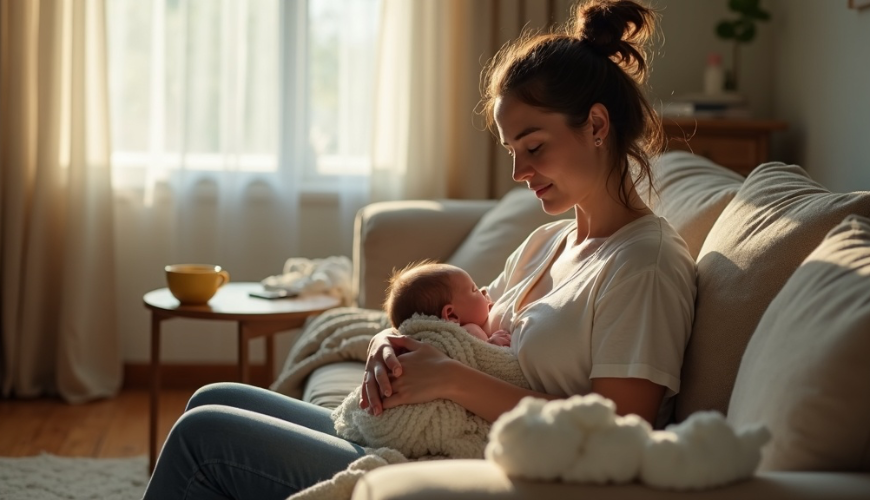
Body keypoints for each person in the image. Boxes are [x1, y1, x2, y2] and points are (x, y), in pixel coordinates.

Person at [141, 1, 696, 498]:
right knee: (214, 398)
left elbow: (624, 433)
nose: (518, 171)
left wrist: (452, 380)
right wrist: (395, 341)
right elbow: (459, 324)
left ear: (596, 125)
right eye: (510, 149)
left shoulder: (643, 263)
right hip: (436, 435)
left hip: (489, 469)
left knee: (203, 438)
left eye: (533, 146)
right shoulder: (548, 243)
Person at [384, 260, 512, 347]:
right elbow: (483, 359)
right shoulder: (469, 332)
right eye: (475, 289)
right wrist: (493, 343)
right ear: (451, 315)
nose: (483, 291)